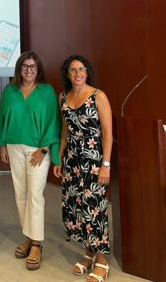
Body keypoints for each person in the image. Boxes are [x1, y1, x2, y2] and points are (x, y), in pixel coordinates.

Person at [0, 51, 60, 271]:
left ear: (38, 69)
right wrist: (2, 144)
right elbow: (3, 118)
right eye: (24, 66)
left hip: (37, 149)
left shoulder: (46, 91)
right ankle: (29, 236)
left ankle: (37, 244)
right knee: (21, 194)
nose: (28, 70)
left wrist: (44, 149)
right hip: (13, 146)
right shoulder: (10, 91)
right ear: (19, 69)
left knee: (35, 194)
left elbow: (53, 121)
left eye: (32, 66)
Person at [54, 55, 112, 282]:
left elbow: (108, 133)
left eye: (82, 69)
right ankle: (88, 254)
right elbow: (66, 131)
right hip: (72, 161)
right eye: (73, 70)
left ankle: (103, 259)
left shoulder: (98, 96)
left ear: (87, 72)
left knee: (95, 208)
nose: (78, 73)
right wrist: (59, 157)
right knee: (77, 207)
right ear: (67, 74)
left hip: (94, 161)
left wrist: (105, 165)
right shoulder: (63, 97)